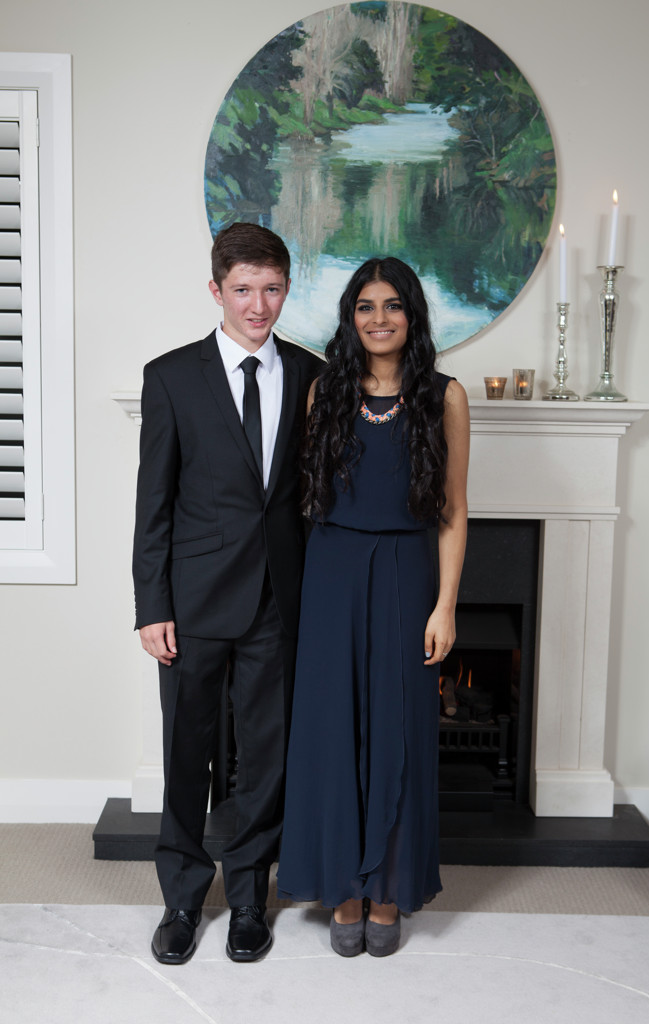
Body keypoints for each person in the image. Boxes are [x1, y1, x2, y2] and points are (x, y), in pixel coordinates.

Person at [132, 222, 322, 965]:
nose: (258, 305)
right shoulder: (170, 377)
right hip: (193, 602)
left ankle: (248, 897)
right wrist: (152, 605)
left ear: (287, 289)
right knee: (187, 753)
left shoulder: (310, 375)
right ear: (216, 290)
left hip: (279, 598)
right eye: (243, 289)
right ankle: (182, 898)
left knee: (266, 757)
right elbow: (153, 503)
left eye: (272, 289)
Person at [276, 256, 469, 956]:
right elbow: (304, 502)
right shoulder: (324, 391)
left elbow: (454, 510)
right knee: (331, 732)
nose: (378, 318)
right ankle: (344, 889)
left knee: (398, 730)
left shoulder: (445, 396)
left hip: (406, 573)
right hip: (331, 572)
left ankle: (387, 889)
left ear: (412, 316)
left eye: (392, 305)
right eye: (365, 306)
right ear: (350, 317)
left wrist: (445, 606)